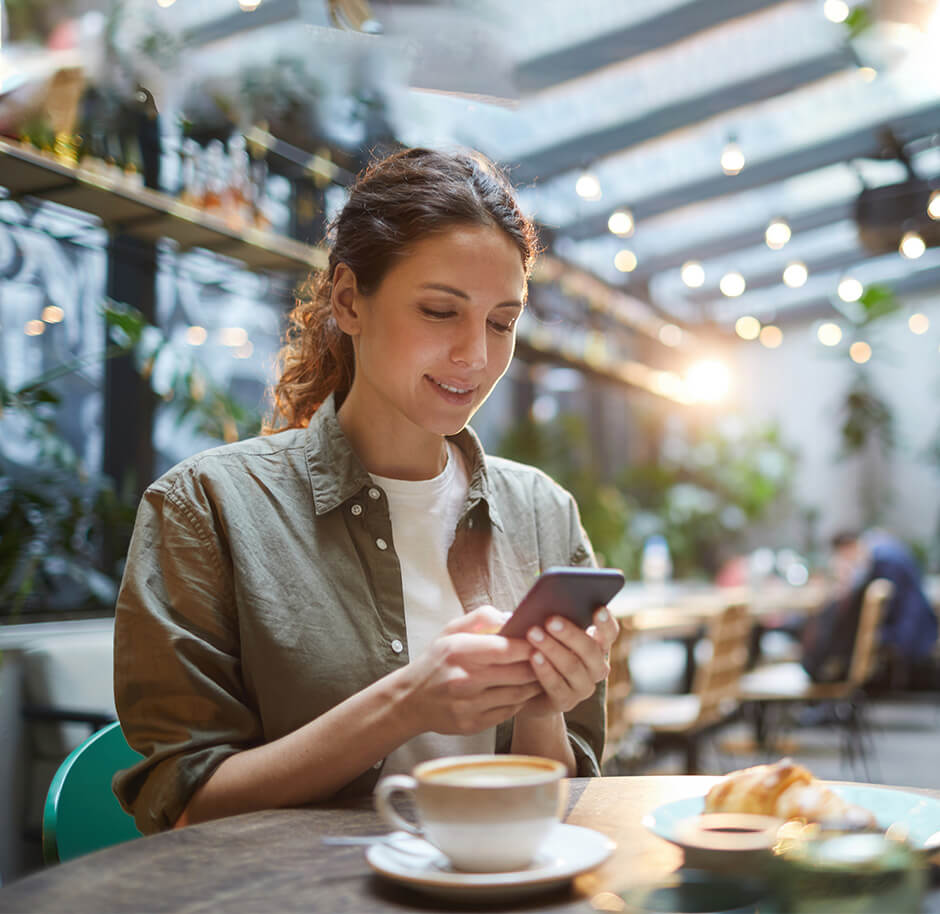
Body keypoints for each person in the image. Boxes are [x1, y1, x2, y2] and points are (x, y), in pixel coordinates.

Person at [112, 147, 619, 835]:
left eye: (502, 322)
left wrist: (542, 700)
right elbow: (185, 808)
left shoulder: (542, 513)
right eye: (441, 311)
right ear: (349, 300)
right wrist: (407, 703)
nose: (476, 355)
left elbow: (562, 798)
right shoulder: (207, 508)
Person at [801, 529, 937, 688]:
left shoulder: (883, 560)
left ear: (847, 547)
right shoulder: (881, 549)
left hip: (908, 630)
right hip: (910, 624)